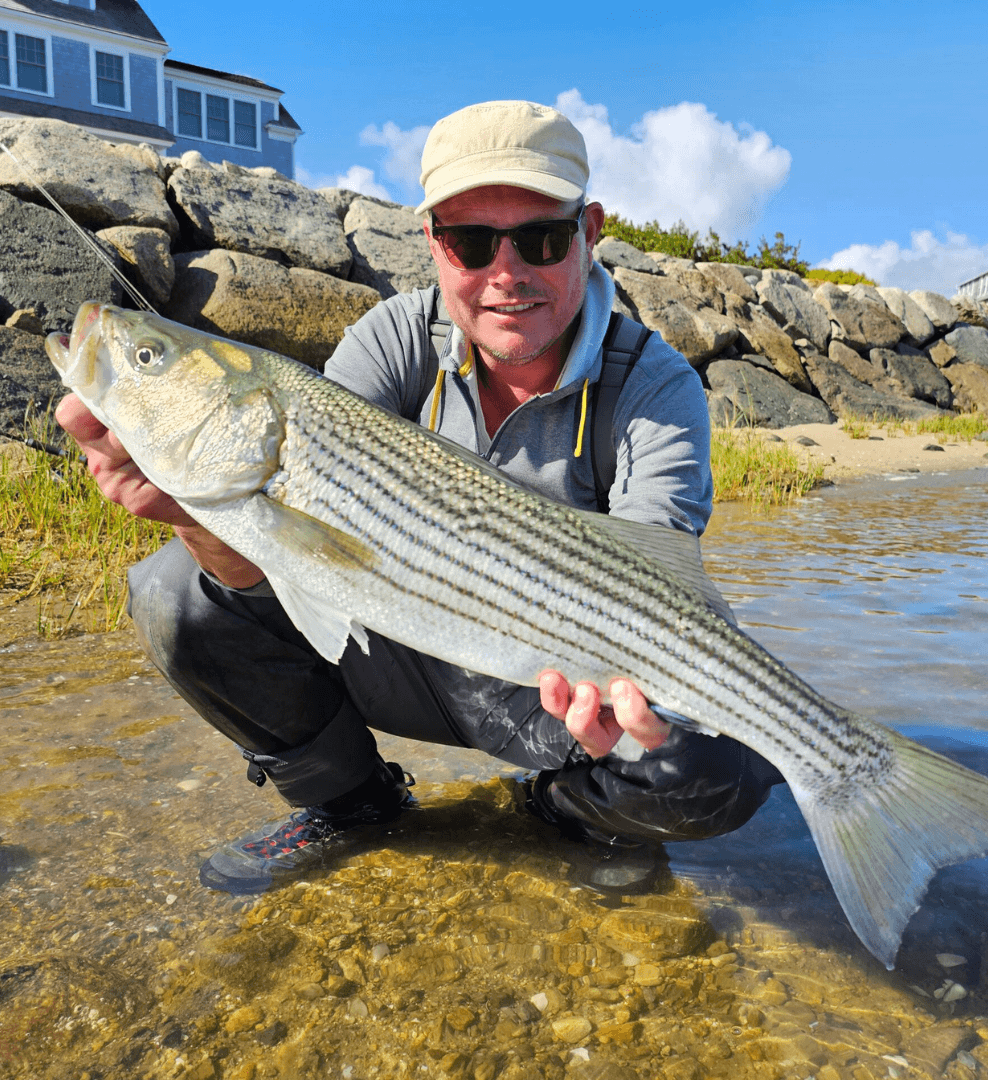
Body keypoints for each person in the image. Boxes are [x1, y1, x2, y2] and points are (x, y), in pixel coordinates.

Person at [57, 100, 782, 895]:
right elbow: (279, 574)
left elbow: (659, 584)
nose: (507, 274)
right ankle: (350, 802)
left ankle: (568, 808)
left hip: (563, 688)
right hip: (403, 652)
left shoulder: (657, 387)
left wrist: (623, 691)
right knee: (174, 592)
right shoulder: (390, 341)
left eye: (540, 238)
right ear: (433, 242)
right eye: (471, 242)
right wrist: (189, 514)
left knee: (723, 767)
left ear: (590, 232)